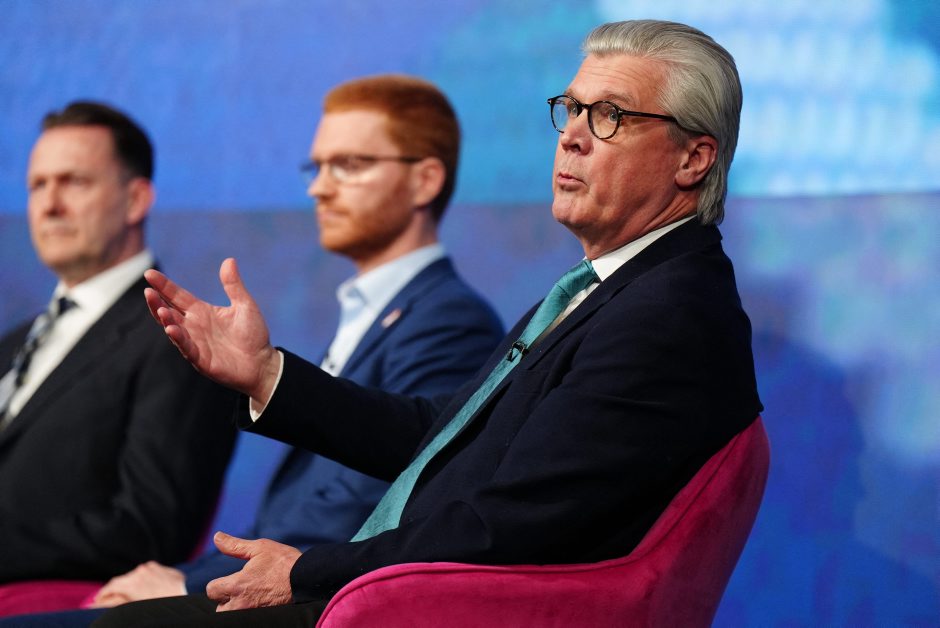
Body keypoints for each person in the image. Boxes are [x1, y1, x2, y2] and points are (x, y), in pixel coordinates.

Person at [95, 18, 762, 626]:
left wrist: (306, 571)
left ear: (693, 159)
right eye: (572, 109)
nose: (573, 136)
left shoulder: (669, 314)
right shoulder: (613, 290)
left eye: (611, 115)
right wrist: (267, 374)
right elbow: (445, 438)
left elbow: (510, 523)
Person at [85, 74, 503, 608]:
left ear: (425, 181)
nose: (318, 188)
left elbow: (376, 503)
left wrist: (186, 585)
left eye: (348, 165)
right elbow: (284, 518)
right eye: (317, 167)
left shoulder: (450, 320)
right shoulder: (374, 313)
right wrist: (176, 577)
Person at [0, 102, 237, 588]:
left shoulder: (176, 337)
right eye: (38, 185)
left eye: (74, 182)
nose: (49, 205)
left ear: (136, 200)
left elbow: (150, 527)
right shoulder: (13, 343)